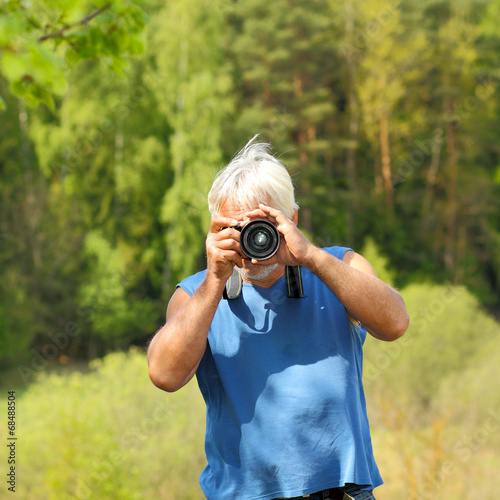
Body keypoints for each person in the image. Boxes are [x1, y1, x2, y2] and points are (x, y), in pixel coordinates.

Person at [147, 137, 410, 500]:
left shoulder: (338, 267)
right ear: (216, 228)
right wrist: (214, 281)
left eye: (263, 226)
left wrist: (311, 258)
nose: (253, 243)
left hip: (342, 491)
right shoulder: (196, 295)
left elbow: (395, 323)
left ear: (293, 219)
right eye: (237, 230)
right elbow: (164, 375)